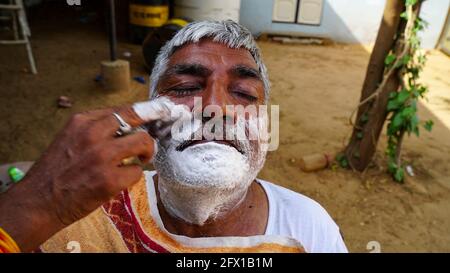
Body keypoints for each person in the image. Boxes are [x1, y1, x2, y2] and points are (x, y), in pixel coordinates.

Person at [0, 20, 347, 253]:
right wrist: (36, 202)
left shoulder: (309, 227)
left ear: (266, 126)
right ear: (150, 120)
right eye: (186, 87)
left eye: (243, 93)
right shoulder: (81, 212)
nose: (215, 108)